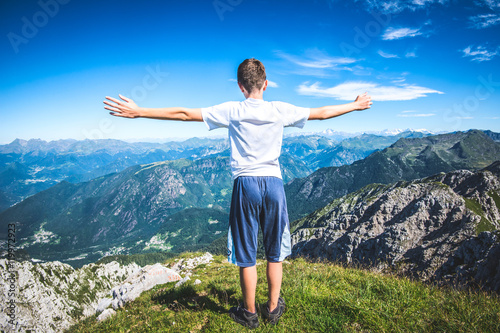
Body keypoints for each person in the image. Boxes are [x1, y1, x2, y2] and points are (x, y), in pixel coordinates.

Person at [104, 58, 372, 328]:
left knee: (247, 254)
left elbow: (185, 114)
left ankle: (249, 312)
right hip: (275, 184)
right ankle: (273, 307)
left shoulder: (232, 110)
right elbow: (322, 112)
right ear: (266, 84)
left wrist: (140, 112)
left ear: (240, 86)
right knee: (274, 251)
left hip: (246, 184)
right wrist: (355, 105)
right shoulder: (280, 109)